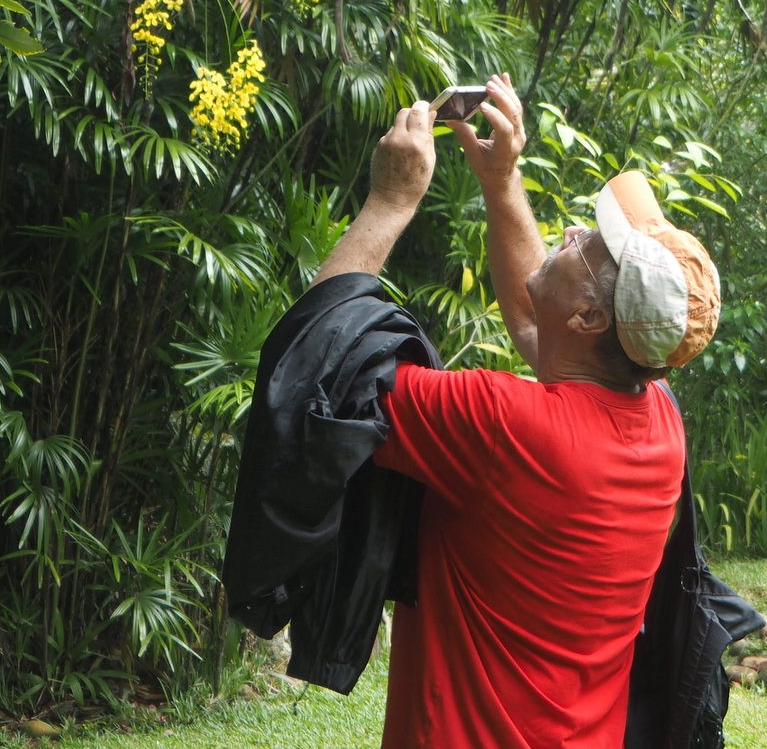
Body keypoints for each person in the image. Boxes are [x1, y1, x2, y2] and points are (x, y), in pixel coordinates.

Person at [309, 74, 721, 749]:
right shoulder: (658, 422)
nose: (572, 228)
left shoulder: (504, 423)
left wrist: (389, 201)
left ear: (591, 315)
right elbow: (541, 328)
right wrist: (501, 181)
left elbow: (322, 365)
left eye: (587, 245)